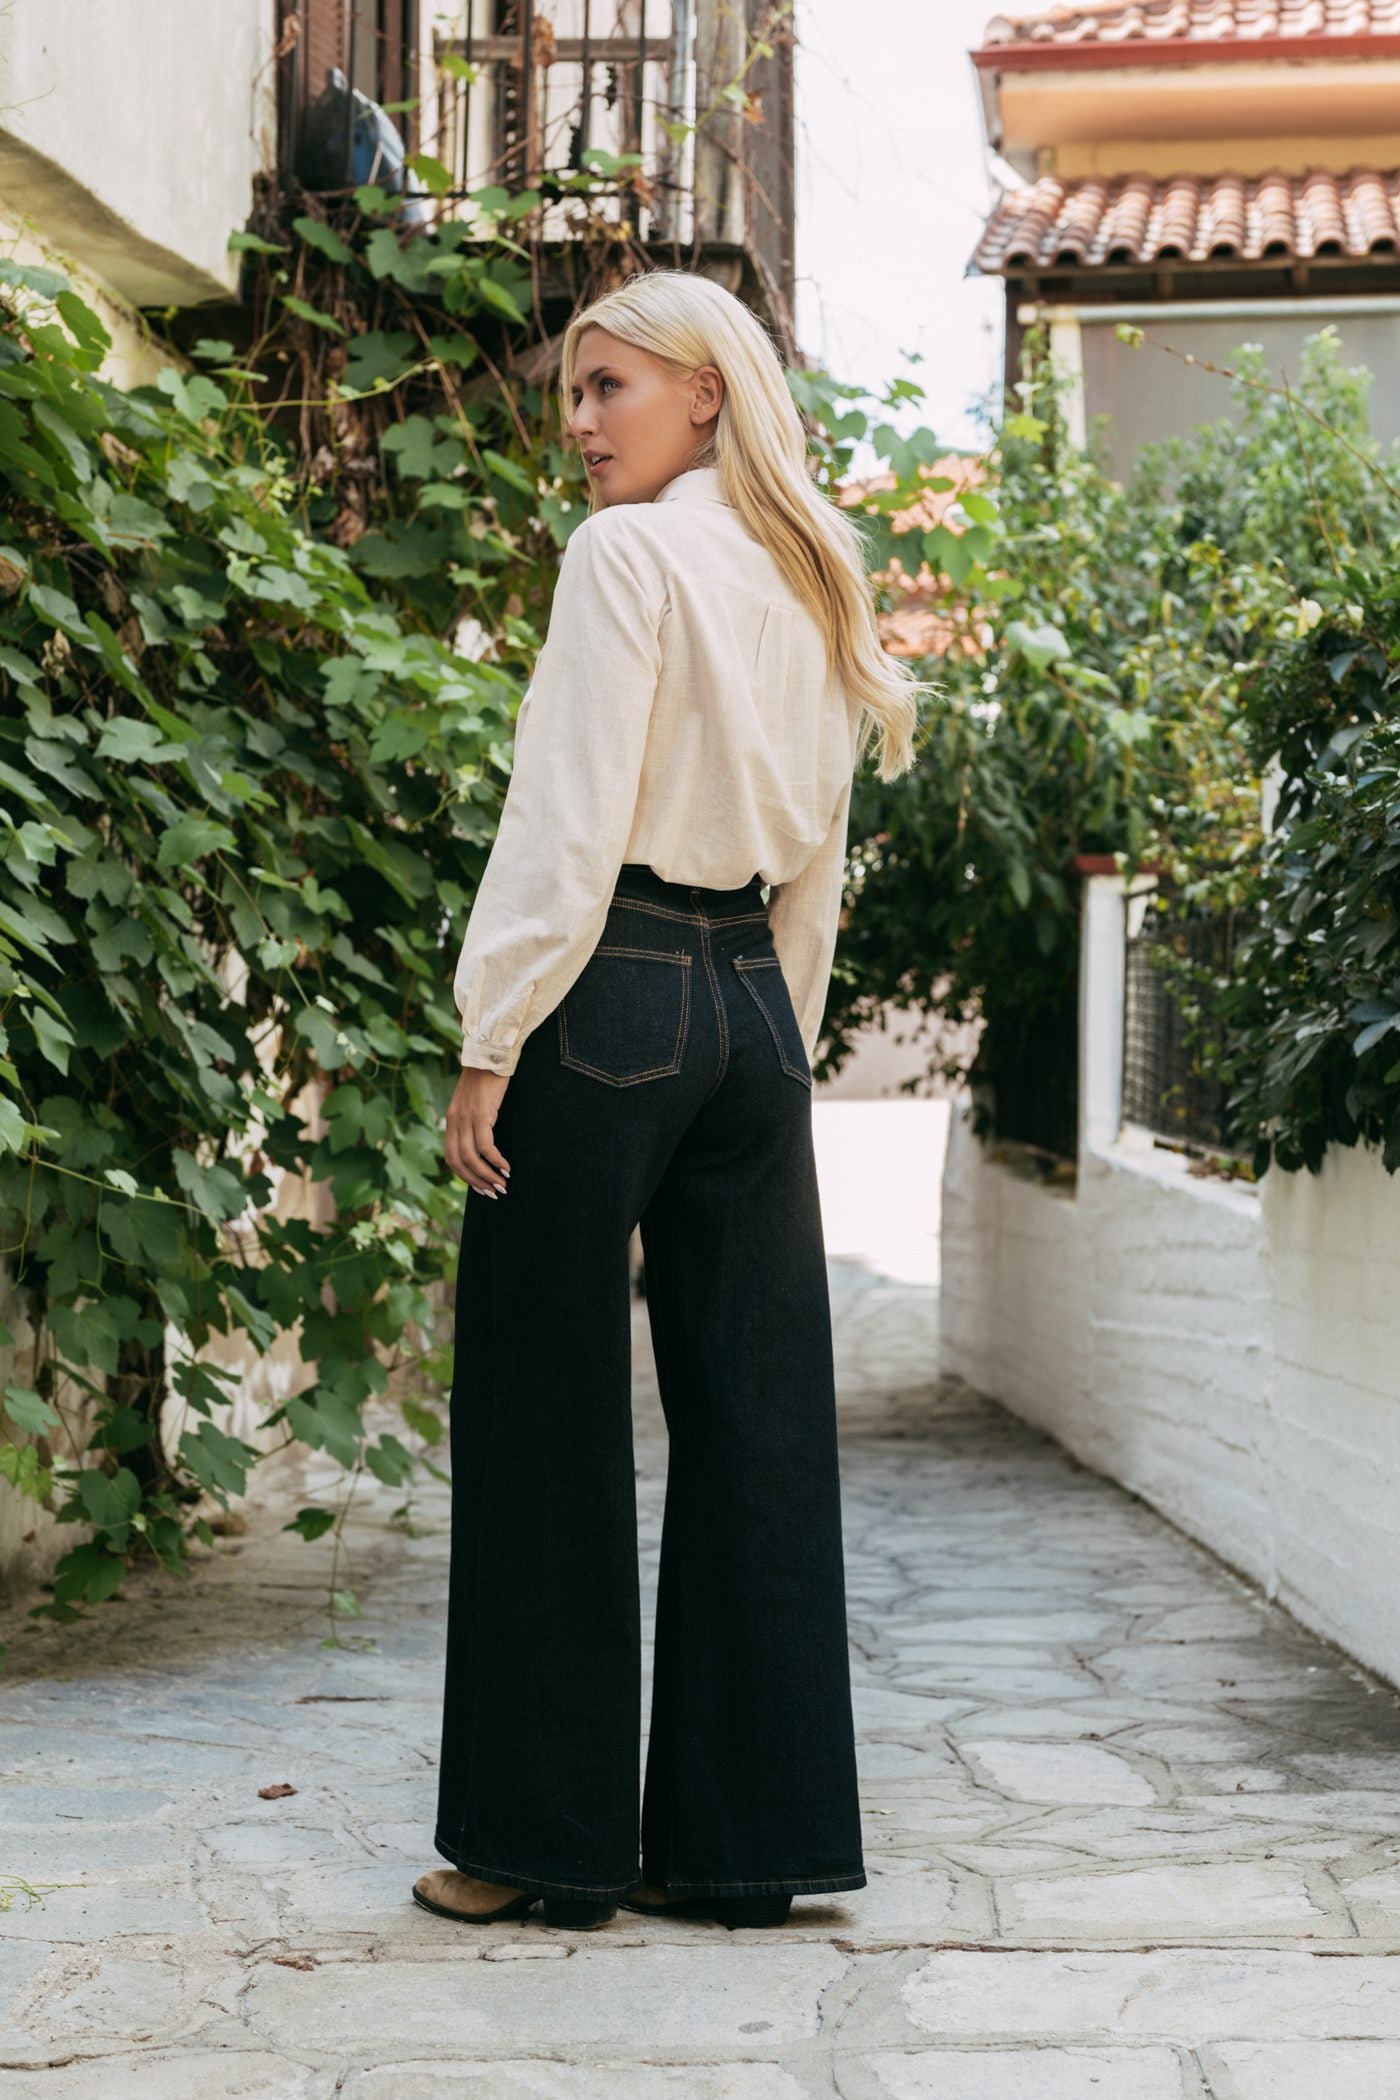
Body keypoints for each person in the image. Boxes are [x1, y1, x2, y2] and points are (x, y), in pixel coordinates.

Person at [413, 267, 926, 1934]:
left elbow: (568, 816)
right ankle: (747, 1846)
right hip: (752, 1007)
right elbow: (821, 853)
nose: (578, 423)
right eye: (574, 393)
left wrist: (495, 1028)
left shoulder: (625, 558)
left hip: (608, 987)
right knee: (760, 1423)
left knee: (541, 1409)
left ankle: (536, 1846)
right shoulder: (812, 568)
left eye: (607, 387)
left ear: (706, 393)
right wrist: (778, 1033)